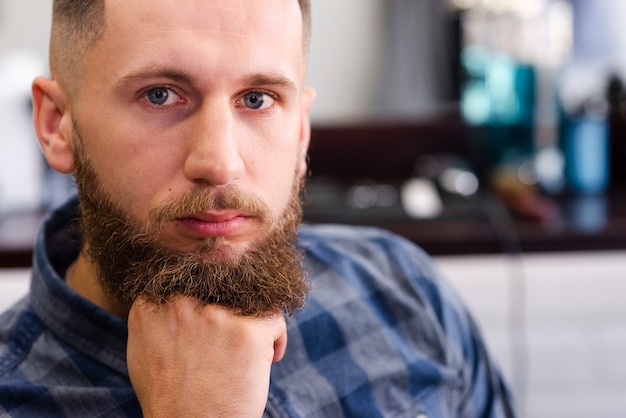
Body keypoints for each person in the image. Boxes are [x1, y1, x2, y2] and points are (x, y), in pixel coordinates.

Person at [0, 0, 516, 416]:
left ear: (301, 130)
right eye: (160, 95)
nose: (219, 163)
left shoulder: (401, 289)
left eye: (257, 99)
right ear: (55, 124)